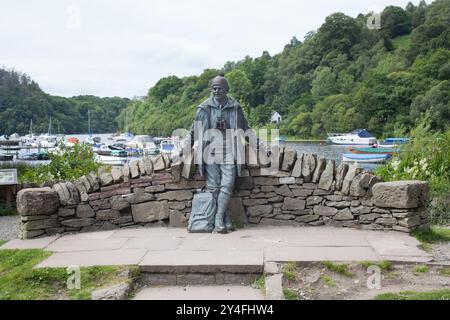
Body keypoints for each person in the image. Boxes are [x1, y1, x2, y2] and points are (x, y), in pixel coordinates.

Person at [184, 74, 259, 234]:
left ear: (227, 90)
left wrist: (261, 146)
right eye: (214, 88)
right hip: (209, 151)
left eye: (220, 88)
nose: (216, 91)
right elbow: (194, 132)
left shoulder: (235, 107)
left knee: (228, 184)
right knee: (214, 187)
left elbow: (246, 131)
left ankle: (218, 218)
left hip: (229, 150)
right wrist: (184, 149)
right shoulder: (203, 108)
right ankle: (223, 219)